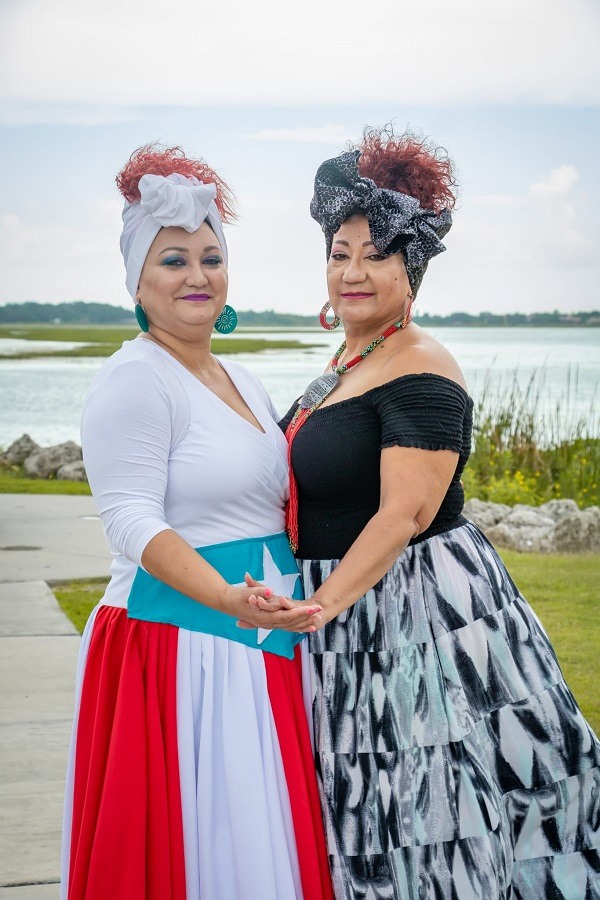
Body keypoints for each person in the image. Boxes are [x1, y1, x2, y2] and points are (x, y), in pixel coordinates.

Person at [251, 128, 600, 899]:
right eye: (339, 252)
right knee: (368, 816)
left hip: (409, 615)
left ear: (411, 268)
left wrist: (319, 607)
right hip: (348, 613)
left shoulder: (422, 366)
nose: (352, 270)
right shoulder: (348, 363)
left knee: (423, 819)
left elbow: (402, 516)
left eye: (376, 254)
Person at [60, 145, 333, 900]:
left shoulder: (240, 376)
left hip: (260, 643)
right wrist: (224, 597)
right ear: (137, 282)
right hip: (179, 647)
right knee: (198, 848)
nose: (197, 275)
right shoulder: (134, 378)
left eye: (211, 259)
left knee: (261, 844)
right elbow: (128, 519)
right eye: (173, 260)